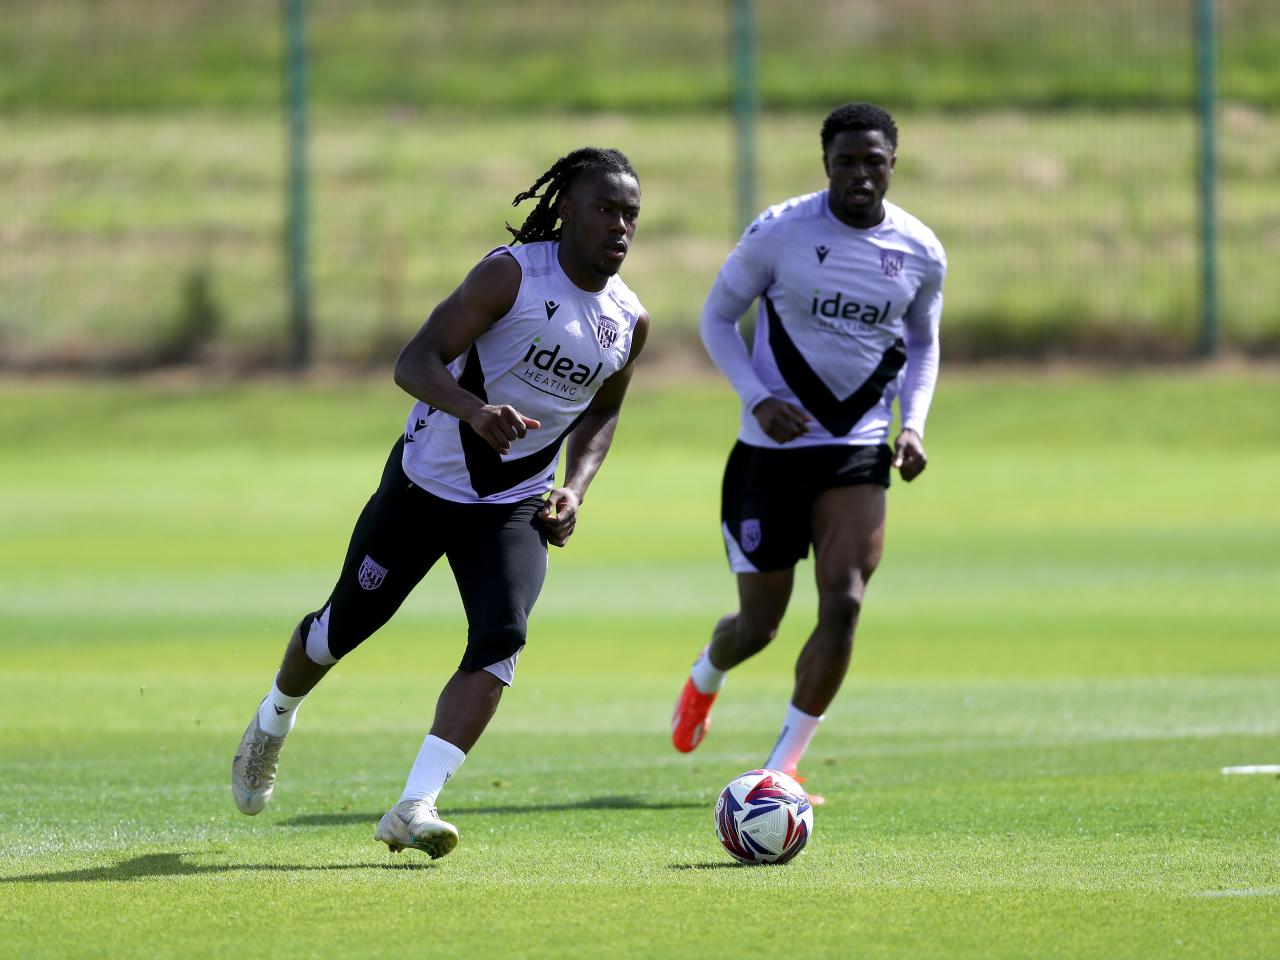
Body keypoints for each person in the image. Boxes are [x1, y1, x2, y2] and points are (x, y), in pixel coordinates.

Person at [232, 147, 649, 859]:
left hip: (514, 504)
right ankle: (274, 719)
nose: (620, 225)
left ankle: (415, 805)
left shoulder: (629, 320)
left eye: (630, 214)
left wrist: (575, 487)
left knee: (502, 638)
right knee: (339, 631)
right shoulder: (511, 275)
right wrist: (474, 409)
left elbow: (603, 412)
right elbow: (414, 361)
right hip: (425, 485)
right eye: (605, 209)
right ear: (569, 211)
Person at [670, 103, 945, 802]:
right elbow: (716, 317)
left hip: (855, 450)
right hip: (771, 451)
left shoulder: (920, 251)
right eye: (846, 160)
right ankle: (707, 674)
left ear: (892, 164)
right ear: (826, 163)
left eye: (873, 160)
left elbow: (922, 344)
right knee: (758, 626)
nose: (860, 173)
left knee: (845, 602)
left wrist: (912, 426)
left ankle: (782, 767)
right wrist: (758, 397)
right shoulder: (780, 233)